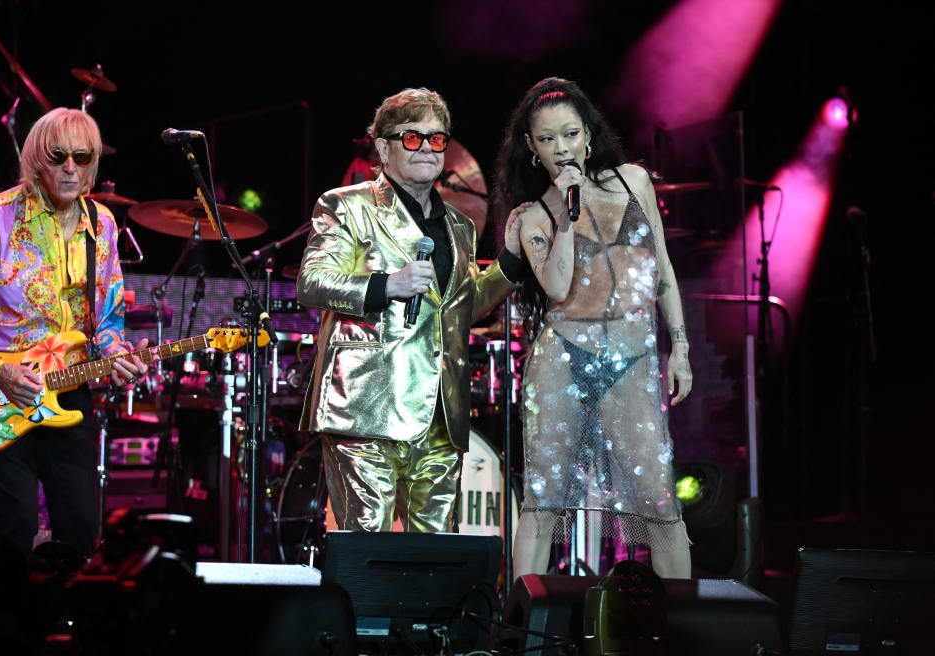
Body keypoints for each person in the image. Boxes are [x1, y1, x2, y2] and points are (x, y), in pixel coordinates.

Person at [297, 88, 530, 532]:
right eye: (412, 137)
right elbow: (311, 282)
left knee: (437, 555)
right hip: (366, 408)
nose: (426, 147)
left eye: (437, 138)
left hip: (441, 412)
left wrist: (510, 263)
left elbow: (464, 307)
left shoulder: (460, 225)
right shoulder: (347, 205)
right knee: (367, 549)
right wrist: (388, 285)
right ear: (382, 148)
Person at [495, 78, 693, 579]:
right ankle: (522, 635)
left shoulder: (635, 182)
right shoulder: (531, 217)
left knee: (660, 502)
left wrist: (682, 345)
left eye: (570, 134)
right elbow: (559, 287)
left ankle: (682, 633)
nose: (561, 148)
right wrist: (564, 212)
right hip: (563, 357)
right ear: (532, 148)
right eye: (547, 139)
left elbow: (663, 268)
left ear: (588, 135)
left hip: (634, 356)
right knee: (543, 503)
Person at [0, 108, 148, 559]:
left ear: (91, 165)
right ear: (37, 159)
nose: (70, 167)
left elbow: (105, 322)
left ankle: (65, 626)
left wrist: (119, 356)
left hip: (69, 390)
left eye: (81, 157)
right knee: (16, 528)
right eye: (58, 155)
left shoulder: (101, 226)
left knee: (81, 531)